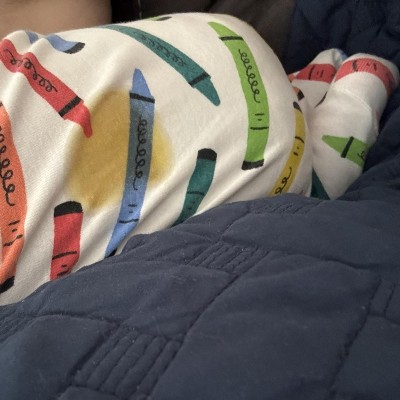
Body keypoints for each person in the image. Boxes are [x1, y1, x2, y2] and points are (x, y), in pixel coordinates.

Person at [0, 0, 398, 304]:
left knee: (317, 184)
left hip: (267, 157)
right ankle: (302, 86)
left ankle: (360, 87)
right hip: (205, 34)